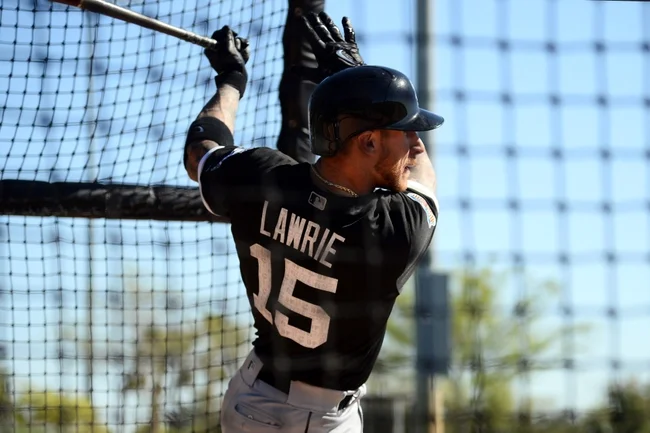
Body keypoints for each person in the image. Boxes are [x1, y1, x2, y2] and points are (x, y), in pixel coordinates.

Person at [184, 11, 443, 433]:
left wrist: (231, 79)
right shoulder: (395, 230)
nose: (415, 141)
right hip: (327, 421)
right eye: (406, 130)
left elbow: (200, 150)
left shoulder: (260, 175)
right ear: (369, 141)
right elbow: (421, 171)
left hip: (252, 401)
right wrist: (356, 76)